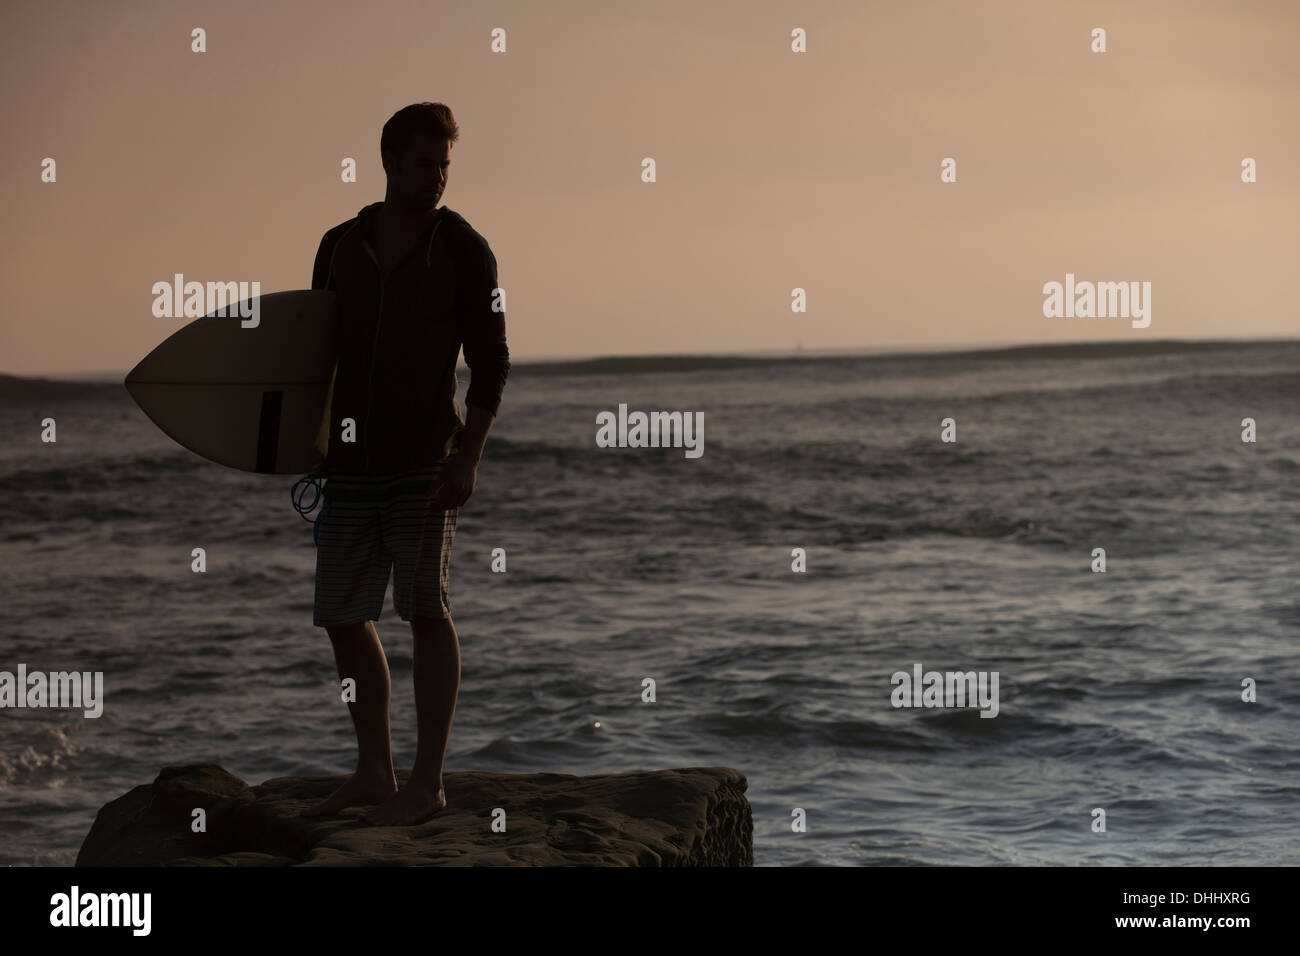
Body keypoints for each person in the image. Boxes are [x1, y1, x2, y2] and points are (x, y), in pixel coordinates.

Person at [299, 103, 510, 826]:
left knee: (424, 610)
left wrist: (469, 457)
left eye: (446, 165)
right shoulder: (338, 244)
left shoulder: (463, 248)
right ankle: (372, 772)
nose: (438, 178)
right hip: (348, 466)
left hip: (426, 460)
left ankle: (428, 782)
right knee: (342, 616)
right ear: (389, 160)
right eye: (426, 163)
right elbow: (312, 354)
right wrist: (302, 444)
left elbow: (491, 361)